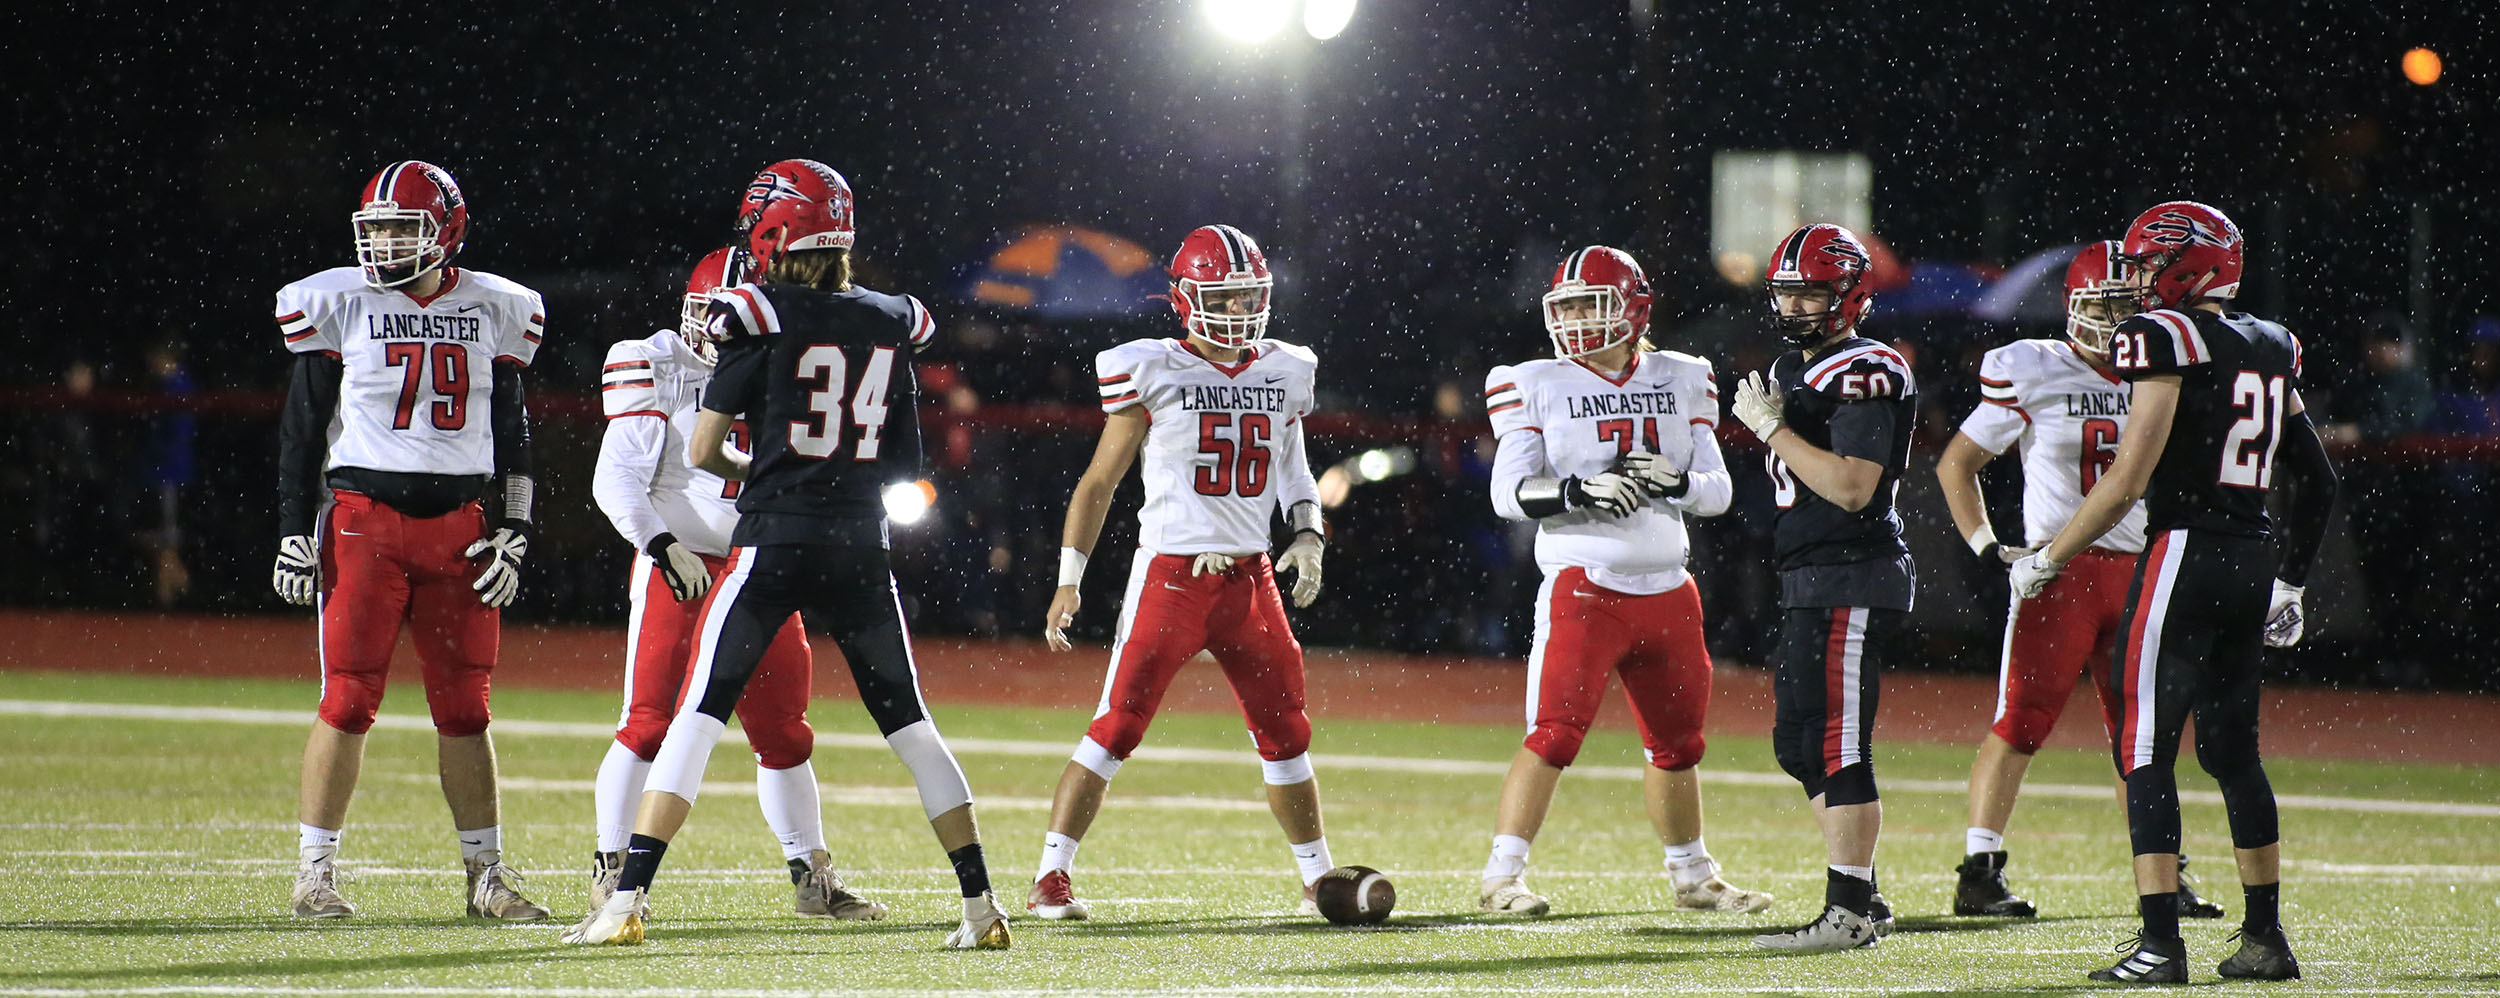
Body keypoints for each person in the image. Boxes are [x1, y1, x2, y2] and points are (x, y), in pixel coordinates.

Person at [561, 162, 1004, 949]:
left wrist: (775, 472)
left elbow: (706, 447)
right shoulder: (891, 315)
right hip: (853, 546)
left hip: (769, 546)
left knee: (706, 718)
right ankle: (981, 906)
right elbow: (905, 464)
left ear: (773, 236)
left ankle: (630, 898)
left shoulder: (754, 314)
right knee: (909, 725)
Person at [2008, 201, 2335, 984]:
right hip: (2252, 557)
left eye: (2151, 264)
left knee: (2144, 748)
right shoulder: (2271, 341)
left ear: (2192, 265)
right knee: (2233, 752)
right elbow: (2317, 478)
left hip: (2185, 550)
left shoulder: (2164, 335)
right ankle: (2265, 939)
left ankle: (2161, 946)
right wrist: (2291, 579)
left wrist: (2048, 555)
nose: (2138, 279)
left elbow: (2126, 481)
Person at [1030, 224, 1335, 921]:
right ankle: (1051, 873)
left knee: (1286, 729)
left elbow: (1294, 465)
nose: (1238, 311)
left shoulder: (1286, 367)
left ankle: (1316, 876)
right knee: (1119, 725)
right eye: (1222, 298)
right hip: (1172, 574)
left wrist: (1309, 531)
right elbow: (1098, 483)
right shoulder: (1151, 366)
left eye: (1247, 297)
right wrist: (1069, 577)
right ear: (1185, 300)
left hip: (1251, 579)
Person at [271, 160, 548, 921]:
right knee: (349, 698)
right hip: (364, 521)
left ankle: (485, 878)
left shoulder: (497, 306)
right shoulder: (340, 302)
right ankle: (315, 875)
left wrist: (517, 528)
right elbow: (301, 431)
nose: (386, 243)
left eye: (403, 227)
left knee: (466, 708)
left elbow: (514, 433)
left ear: (447, 231)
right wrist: (295, 529)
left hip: (462, 529)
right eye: (377, 228)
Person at [582, 245, 885, 923]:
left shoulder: (791, 365)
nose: (716, 329)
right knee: (651, 723)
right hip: (681, 560)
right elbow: (616, 479)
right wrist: (661, 544)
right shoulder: (654, 361)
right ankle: (613, 868)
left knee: (783, 731)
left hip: (761, 561)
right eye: (706, 313)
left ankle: (812, 875)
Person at [1473, 246, 1769, 918]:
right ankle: (1502, 876)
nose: (1576, 319)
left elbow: (1718, 492)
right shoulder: (1529, 379)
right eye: (1567, 305)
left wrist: (1679, 483)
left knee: (1679, 744)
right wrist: (1578, 490)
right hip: (1587, 584)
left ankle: (1693, 875)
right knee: (1553, 734)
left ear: (1634, 308)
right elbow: (1507, 494)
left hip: (1669, 587)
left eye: (1591, 303)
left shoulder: (1685, 375)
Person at [1937, 240, 2223, 921]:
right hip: (2055, 572)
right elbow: (1957, 464)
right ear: (2071, 307)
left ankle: (2163, 874)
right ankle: (1979, 870)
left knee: (2143, 733)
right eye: (2104, 306)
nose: (2117, 321)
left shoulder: (2162, 373)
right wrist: (1987, 549)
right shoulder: (2033, 367)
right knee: (2023, 720)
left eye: (2129, 307)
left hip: (2140, 571)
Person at [1725, 223, 1915, 953]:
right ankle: (1862, 893)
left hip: (1850, 568)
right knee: (1798, 742)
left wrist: (1772, 432)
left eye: (1811, 292)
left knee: (1836, 742)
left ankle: (1850, 913)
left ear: (1850, 295)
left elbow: (1854, 487)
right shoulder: (1798, 364)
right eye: (1787, 291)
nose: (1796, 306)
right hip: (1813, 571)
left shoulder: (1865, 366)